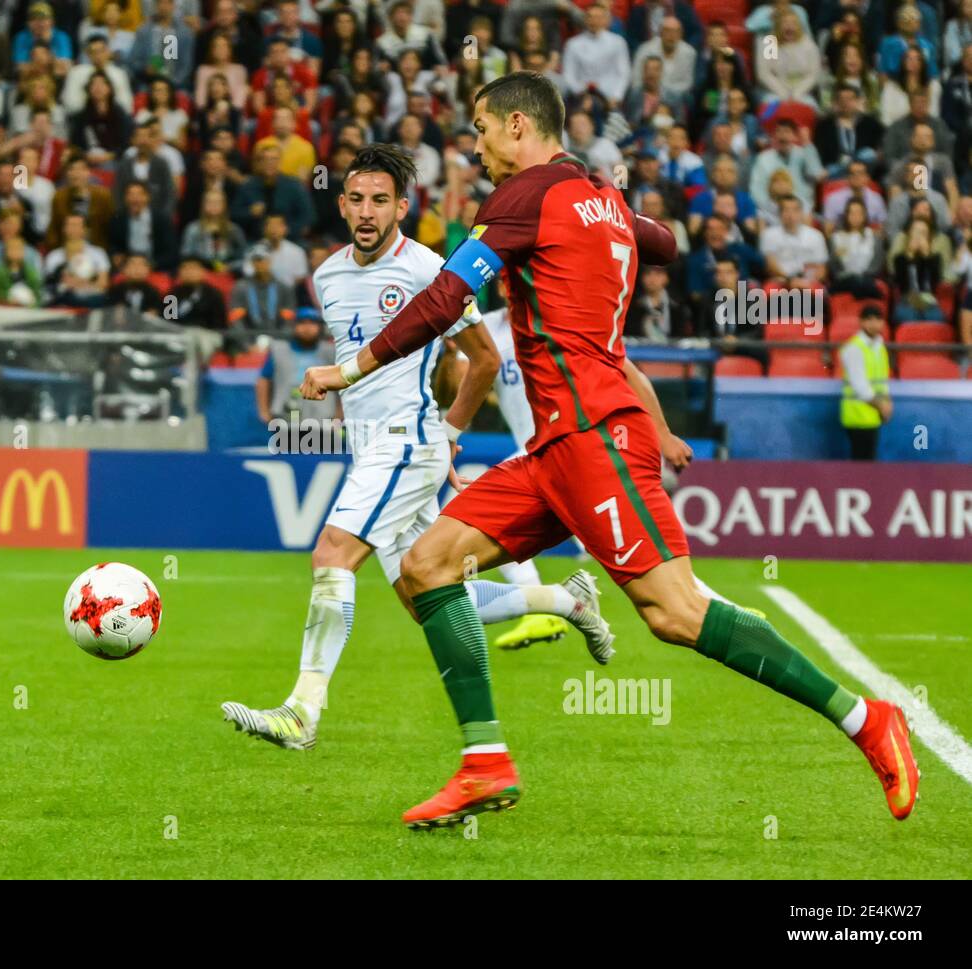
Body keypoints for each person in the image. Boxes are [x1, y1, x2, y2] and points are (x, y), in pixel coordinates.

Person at [299, 72, 917, 828]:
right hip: (554, 447)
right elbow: (661, 239)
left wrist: (349, 367)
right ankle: (485, 761)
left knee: (675, 611)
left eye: (485, 130)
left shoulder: (522, 197)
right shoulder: (596, 197)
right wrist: (613, 208)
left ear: (520, 127)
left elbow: (445, 300)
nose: (479, 146)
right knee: (426, 567)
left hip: (596, 436)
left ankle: (866, 718)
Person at [221, 144, 607, 752]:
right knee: (428, 594)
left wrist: (447, 437)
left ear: (402, 206)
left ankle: (302, 710)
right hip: (371, 446)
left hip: (409, 443)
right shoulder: (326, 276)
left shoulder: (431, 270)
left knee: (331, 553)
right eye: (356, 199)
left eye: (381, 200)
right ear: (342, 205)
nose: (367, 211)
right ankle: (567, 599)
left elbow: (482, 360)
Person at [838, 304, 892, 461]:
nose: (874, 324)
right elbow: (859, 385)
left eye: (878, 319)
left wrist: (887, 401)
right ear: (861, 322)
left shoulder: (879, 347)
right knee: (861, 463)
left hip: (873, 415)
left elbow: (882, 380)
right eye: (869, 320)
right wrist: (882, 405)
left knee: (868, 461)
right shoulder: (853, 348)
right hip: (857, 415)